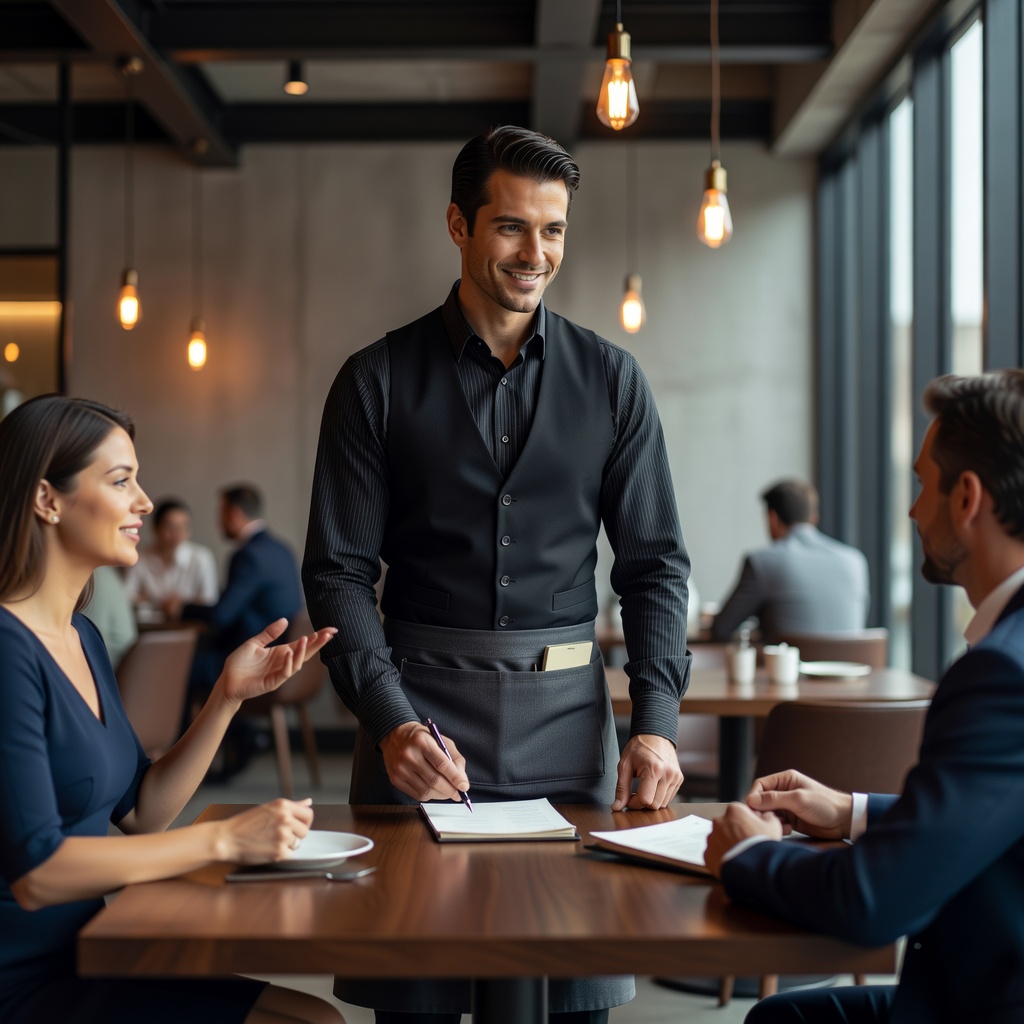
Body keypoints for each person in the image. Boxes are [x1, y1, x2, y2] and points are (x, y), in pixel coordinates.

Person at [303, 125, 691, 1023]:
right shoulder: (375, 381)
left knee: (571, 1001)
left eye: (554, 230)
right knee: (419, 1001)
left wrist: (658, 726)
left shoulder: (614, 381)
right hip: (418, 728)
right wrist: (392, 723)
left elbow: (655, 567)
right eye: (513, 227)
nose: (536, 252)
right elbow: (338, 573)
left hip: (568, 731)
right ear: (458, 225)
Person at [0, 394, 342, 1024]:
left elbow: (144, 811)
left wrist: (225, 698)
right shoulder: (6, 649)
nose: (145, 503)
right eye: (121, 480)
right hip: (22, 981)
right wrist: (222, 840)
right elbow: (39, 872)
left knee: (316, 1016)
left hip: (91, 949)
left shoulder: (84, 640)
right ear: (47, 500)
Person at [704, 370, 1024, 1023]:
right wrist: (852, 810)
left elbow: (872, 902)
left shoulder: (1001, 672)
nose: (911, 510)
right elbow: (990, 805)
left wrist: (748, 853)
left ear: (966, 498)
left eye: (920, 484)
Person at [710, 478, 870, 642]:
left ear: (773, 518)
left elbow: (721, 629)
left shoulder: (762, 562)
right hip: (852, 665)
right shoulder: (855, 561)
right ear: (814, 518)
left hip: (784, 668)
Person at [182, 484, 303, 693]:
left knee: (181, 666)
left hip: (255, 658)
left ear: (235, 514)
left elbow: (221, 616)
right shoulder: (282, 549)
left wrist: (182, 608)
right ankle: (238, 726)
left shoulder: (249, 555)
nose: (218, 522)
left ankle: (193, 727)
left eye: (221, 513)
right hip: (283, 654)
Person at [125, 498, 219, 621]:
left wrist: (181, 605)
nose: (177, 534)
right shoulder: (141, 557)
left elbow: (209, 601)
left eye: (183, 527)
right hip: (149, 630)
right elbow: (126, 597)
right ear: (156, 528)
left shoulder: (201, 557)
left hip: (190, 630)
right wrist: (162, 603)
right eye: (170, 527)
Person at [81, 565, 137, 668]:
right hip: (124, 668)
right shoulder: (108, 573)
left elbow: (90, 645)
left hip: (109, 666)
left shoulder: (93, 576)